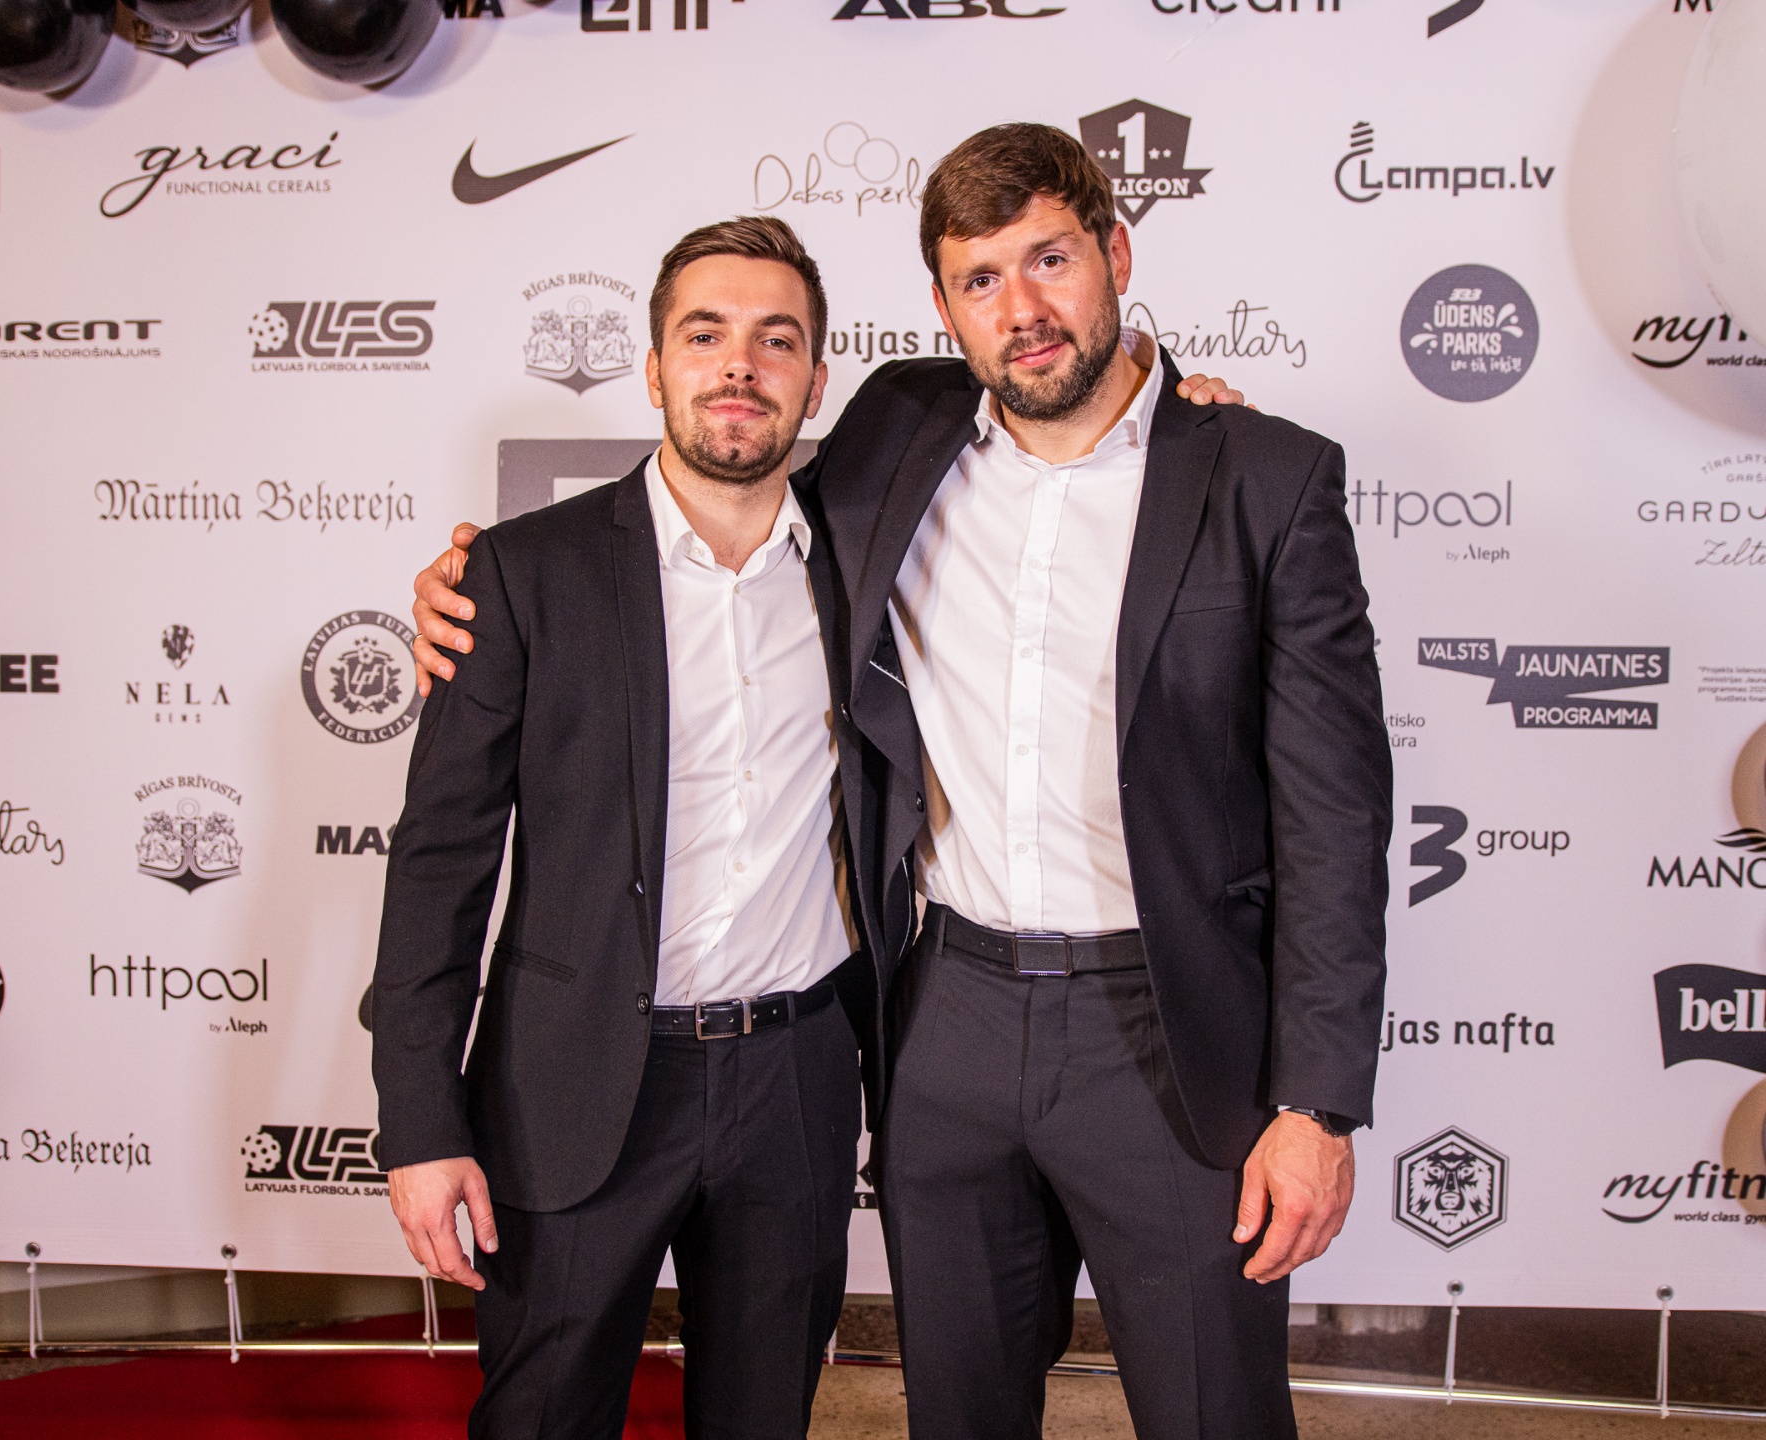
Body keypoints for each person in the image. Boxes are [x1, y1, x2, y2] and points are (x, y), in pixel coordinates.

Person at [411, 126, 1368, 1440]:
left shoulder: (1264, 477)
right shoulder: (895, 436)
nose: (1022, 310)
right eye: (981, 280)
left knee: (1215, 1414)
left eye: (1050, 261)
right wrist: (470, 581)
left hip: (1168, 1030)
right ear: (941, 309)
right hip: (949, 1021)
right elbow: (709, 494)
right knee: (955, 1413)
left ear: (1116, 254)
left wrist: (1316, 1102)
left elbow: (1335, 817)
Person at [373, 217, 877, 1440]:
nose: (740, 365)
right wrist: (419, 1124)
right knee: (543, 1416)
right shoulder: (517, 574)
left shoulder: (869, 561)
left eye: (777, 340)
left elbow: (1037, 405)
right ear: (654, 369)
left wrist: (1176, 392)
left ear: (817, 380)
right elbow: (440, 865)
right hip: (573, 1080)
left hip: (796, 1081)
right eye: (705, 336)